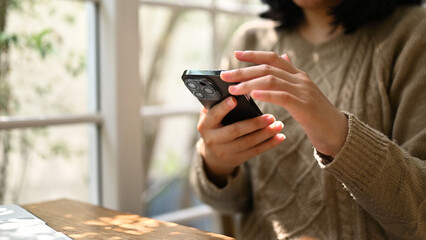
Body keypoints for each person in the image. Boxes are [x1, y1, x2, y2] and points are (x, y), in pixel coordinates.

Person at [190, 0, 426, 239]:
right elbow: (231, 204)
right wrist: (216, 164)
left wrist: (341, 137)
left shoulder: (414, 34)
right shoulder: (251, 42)